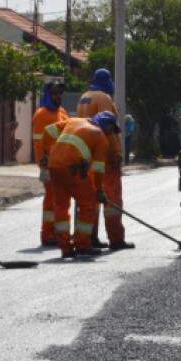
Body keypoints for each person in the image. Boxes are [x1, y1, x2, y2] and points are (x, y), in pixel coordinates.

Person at [47, 112, 120, 259]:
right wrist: (99, 191)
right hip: (74, 168)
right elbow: (98, 169)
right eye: (112, 129)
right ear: (107, 125)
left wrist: (45, 154)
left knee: (60, 206)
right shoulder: (100, 137)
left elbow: (48, 131)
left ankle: (65, 248)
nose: (111, 133)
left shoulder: (73, 121)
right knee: (88, 205)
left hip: (53, 165)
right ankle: (82, 245)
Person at [76, 69, 134, 251]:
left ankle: (88, 237)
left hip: (88, 154)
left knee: (90, 198)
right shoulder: (104, 99)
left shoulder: (84, 97)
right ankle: (116, 239)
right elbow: (108, 128)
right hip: (106, 157)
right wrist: (115, 154)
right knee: (112, 200)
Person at [32, 82, 70, 247]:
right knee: (51, 200)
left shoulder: (62, 112)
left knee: (61, 200)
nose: (58, 96)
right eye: (54, 93)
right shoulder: (41, 115)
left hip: (63, 163)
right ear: (47, 94)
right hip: (49, 164)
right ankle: (47, 234)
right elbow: (39, 143)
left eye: (60, 93)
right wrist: (43, 164)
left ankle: (58, 232)